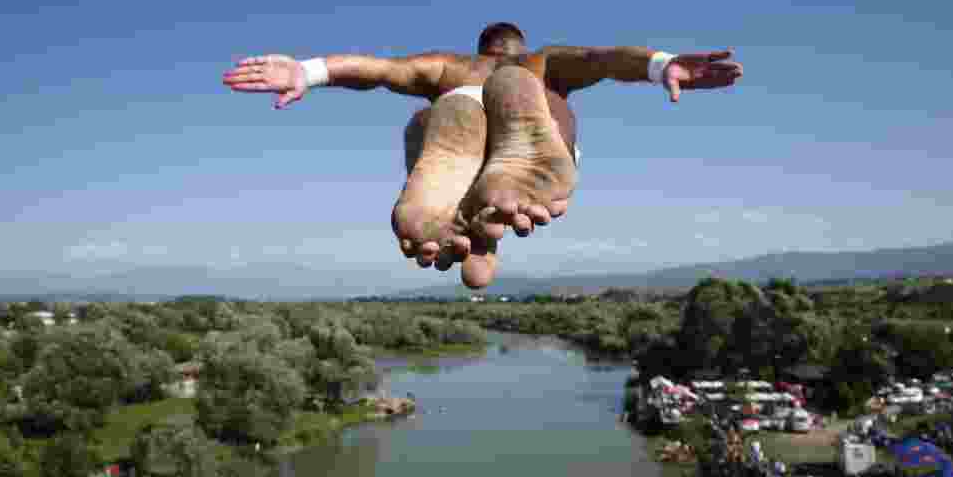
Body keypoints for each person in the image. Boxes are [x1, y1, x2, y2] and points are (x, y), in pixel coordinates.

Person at [223, 23, 742, 288]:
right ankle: (500, 194)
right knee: (520, 95)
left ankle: (457, 217)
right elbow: (603, 60)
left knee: (433, 123)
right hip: (535, 130)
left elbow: (377, 70)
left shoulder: (451, 64)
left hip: (459, 112)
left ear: (483, 46)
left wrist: (309, 72)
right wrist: (661, 65)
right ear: (517, 44)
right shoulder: (539, 61)